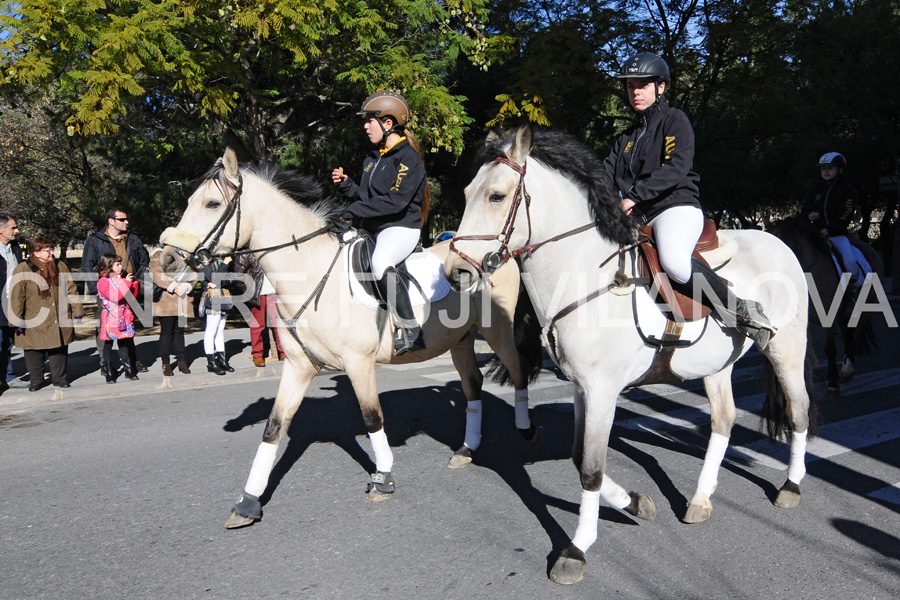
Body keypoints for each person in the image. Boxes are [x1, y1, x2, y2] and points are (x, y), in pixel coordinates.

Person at [603, 52, 774, 350]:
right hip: (638, 216)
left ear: (661, 87)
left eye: (643, 85)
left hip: (675, 208)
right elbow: (604, 175)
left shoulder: (674, 121)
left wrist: (633, 197)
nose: (635, 92)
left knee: (675, 263)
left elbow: (676, 168)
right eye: (630, 86)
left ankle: (742, 311)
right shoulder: (626, 137)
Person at [331, 90, 428, 355]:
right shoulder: (371, 160)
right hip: (373, 228)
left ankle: (411, 330)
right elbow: (366, 198)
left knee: (380, 262)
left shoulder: (408, 159)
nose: (364, 125)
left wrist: (353, 210)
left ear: (387, 123)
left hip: (400, 227)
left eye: (369, 120)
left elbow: (395, 201)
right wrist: (347, 186)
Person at [9, 237, 84, 391]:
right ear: (36, 253)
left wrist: (77, 310)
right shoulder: (23, 269)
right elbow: (17, 296)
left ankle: (60, 378)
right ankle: (36, 380)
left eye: (51, 248)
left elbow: (71, 289)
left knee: (58, 347)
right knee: (33, 350)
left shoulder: (60, 266)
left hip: (59, 314)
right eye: (47, 250)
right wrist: (16, 319)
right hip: (33, 316)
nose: (51, 252)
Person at [81, 208, 150, 375]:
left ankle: (131, 361)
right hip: (106, 290)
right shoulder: (95, 240)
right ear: (111, 221)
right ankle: (106, 364)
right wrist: (95, 288)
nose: (127, 222)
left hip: (128, 288)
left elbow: (144, 261)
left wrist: (135, 281)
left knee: (127, 325)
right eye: (122, 219)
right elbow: (86, 265)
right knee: (105, 327)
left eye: (126, 219)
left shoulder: (133, 240)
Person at [803, 152, 872, 291]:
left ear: (840, 169)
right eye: (823, 168)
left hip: (837, 235)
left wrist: (828, 229)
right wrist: (809, 217)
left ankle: (852, 291)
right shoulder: (816, 190)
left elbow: (846, 215)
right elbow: (805, 210)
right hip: (815, 235)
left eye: (830, 168)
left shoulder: (847, 190)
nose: (826, 171)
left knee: (850, 261)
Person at [150, 248, 196, 376]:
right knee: (167, 332)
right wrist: (174, 286)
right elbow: (155, 273)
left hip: (183, 298)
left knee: (179, 331)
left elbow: (194, 274)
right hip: (166, 299)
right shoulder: (159, 254)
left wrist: (187, 286)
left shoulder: (186, 255)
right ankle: (166, 363)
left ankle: (182, 361)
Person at [233, 253, 284, 367]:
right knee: (257, 326)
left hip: (274, 292)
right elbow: (238, 276)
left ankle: (283, 350)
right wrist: (249, 291)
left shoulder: (270, 249)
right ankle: (257, 354)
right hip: (259, 294)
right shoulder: (246, 253)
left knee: (278, 323)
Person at [96, 254, 140, 383]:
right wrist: (126, 283)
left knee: (124, 341)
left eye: (120, 264)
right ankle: (109, 371)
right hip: (111, 316)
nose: (121, 266)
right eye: (117, 264)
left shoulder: (120, 279)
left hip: (123, 315)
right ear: (108, 266)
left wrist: (134, 284)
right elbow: (116, 297)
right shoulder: (103, 282)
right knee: (108, 343)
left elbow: (131, 298)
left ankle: (129, 369)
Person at [199, 255, 236, 375]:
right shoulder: (206, 266)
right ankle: (211, 363)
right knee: (211, 331)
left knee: (220, 331)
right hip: (213, 300)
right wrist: (224, 265)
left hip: (223, 299)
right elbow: (215, 278)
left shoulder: (219, 266)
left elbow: (230, 280)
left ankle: (221, 360)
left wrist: (219, 283)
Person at [0, 214, 22, 393]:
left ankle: (8, 376)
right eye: (13, 228)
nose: (17, 231)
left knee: (8, 342)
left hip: (12, 302)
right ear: (1, 229)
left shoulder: (14, 248)